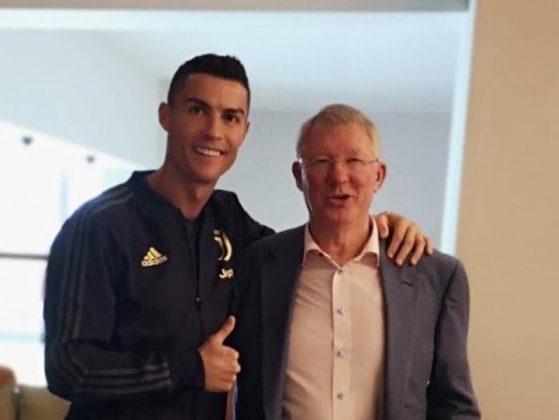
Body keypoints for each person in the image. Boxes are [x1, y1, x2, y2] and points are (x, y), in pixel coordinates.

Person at [43, 55, 432, 420]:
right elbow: (67, 369)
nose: (214, 131)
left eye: (230, 117)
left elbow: (312, 249)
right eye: (197, 110)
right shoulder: (100, 225)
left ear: (244, 132)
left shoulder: (231, 221)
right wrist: (190, 368)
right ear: (166, 116)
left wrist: (379, 227)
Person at [235, 104, 480, 420]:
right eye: (322, 162)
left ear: (378, 175)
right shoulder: (256, 265)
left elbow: (455, 407)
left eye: (354, 161)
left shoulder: (435, 277)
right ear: (299, 176)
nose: (339, 176)